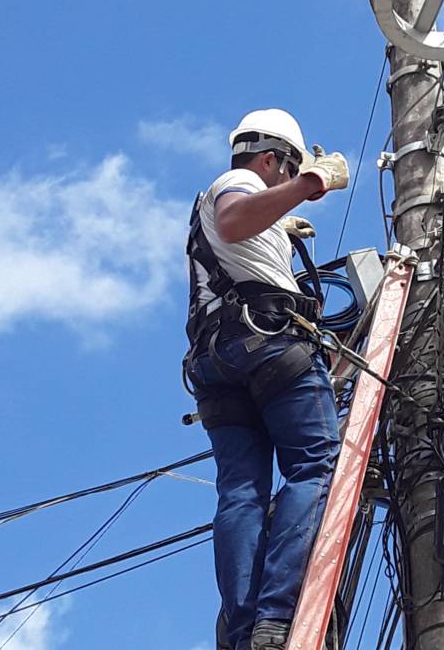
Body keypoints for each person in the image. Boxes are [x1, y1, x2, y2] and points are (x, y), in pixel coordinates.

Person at [183, 109, 350, 650]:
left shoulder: (248, 222)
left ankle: (243, 629)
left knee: (242, 492)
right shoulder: (238, 184)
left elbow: (240, 233)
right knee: (315, 468)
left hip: (217, 366)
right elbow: (235, 218)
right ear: (271, 159)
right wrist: (311, 181)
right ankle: (277, 619)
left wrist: (281, 218)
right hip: (269, 347)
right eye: (286, 170)